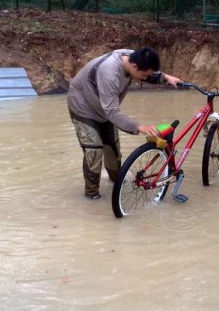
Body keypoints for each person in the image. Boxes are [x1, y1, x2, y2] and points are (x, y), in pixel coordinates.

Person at [67, 47, 182, 199]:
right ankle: (92, 195)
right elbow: (113, 113)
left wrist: (166, 77)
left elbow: (146, 74)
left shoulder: (132, 57)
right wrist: (139, 127)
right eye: (144, 75)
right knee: (94, 151)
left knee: (113, 149)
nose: (145, 78)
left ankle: (117, 181)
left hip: (105, 109)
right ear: (134, 67)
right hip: (83, 108)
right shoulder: (109, 73)